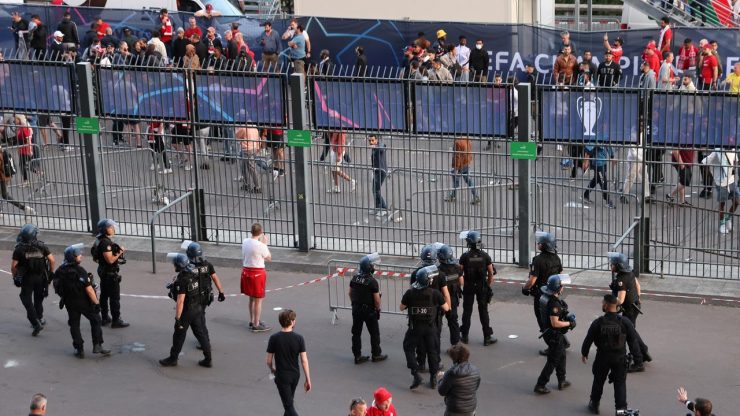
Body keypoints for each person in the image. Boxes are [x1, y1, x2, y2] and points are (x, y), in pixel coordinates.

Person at [581, 294, 643, 414]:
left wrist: (585, 353)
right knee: (620, 383)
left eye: (603, 303)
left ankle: (594, 404)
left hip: (602, 357)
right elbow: (633, 341)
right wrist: (638, 359)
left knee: (598, 380)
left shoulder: (598, 323)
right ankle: (621, 409)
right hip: (620, 358)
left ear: (607, 305)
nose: (602, 304)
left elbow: (588, 339)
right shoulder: (625, 322)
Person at [52, 244, 110, 358]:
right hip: (83, 301)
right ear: (73, 257)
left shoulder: (60, 270)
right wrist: (96, 303)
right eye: (78, 254)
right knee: (96, 320)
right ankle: (97, 344)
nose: (81, 255)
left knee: (74, 325)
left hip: (69, 302)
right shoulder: (80, 270)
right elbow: (89, 290)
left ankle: (79, 349)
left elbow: (56, 286)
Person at [401, 265, 450, 389]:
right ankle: (433, 378)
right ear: (428, 281)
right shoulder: (435, 293)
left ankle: (415, 373)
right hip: (430, 328)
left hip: (415, 327)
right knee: (432, 351)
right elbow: (446, 308)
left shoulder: (410, 293)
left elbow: (401, 307)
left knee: (408, 348)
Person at [159, 253, 212, 367]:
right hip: (197, 308)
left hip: (187, 311)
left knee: (179, 335)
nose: (173, 266)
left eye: (175, 264)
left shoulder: (182, 280)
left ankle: (173, 359)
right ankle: (208, 359)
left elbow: (180, 301)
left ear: (179, 265)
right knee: (201, 334)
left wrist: (178, 318)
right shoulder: (194, 273)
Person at [607, 252, 651, 372]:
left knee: (629, 335)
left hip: (629, 310)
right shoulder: (629, 273)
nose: (611, 266)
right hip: (635, 306)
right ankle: (644, 351)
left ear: (619, 266)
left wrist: (609, 304)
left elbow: (620, 300)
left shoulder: (621, 280)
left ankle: (638, 361)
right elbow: (638, 285)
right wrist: (638, 298)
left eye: (613, 264)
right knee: (632, 331)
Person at [410, 244, 450, 372]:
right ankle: (436, 362)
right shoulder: (440, 274)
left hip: (418, 312)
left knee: (420, 339)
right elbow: (446, 293)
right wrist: (448, 308)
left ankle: (421, 363)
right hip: (435, 312)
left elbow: (412, 292)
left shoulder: (416, 273)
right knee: (435, 339)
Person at [522, 232, 563, 355]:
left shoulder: (538, 260)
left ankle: (552, 346)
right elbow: (561, 275)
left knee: (543, 321)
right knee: (555, 318)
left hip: (542, 295)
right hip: (554, 293)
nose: (537, 244)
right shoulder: (556, 258)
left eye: (539, 242)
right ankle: (562, 341)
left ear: (544, 246)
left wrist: (525, 288)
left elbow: (532, 280)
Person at [534, 275, 575, 395]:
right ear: (558, 288)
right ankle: (540, 384)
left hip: (549, 332)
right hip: (554, 334)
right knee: (552, 360)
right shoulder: (554, 304)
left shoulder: (545, 297)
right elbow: (555, 323)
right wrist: (569, 323)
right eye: (562, 286)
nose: (563, 288)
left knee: (561, 355)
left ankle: (561, 380)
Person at [266, 309, 312, 416]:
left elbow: (268, 361)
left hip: (282, 376)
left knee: (288, 406)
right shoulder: (299, 338)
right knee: (289, 402)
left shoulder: (274, 338)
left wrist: (273, 369)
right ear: (292, 322)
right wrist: (308, 379)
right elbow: (304, 360)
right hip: (295, 375)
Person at [11, 224, 54, 336]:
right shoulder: (41, 246)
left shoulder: (19, 249)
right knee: (38, 298)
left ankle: (35, 322)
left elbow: (14, 266)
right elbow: (52, 260)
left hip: (27, 278)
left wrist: (15, 277)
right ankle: (39, 318)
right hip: (41, 277)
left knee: (26, 298)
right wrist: (50, 273)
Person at [459, 231, 496, 346]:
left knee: (467, 311)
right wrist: (488, 285)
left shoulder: (464, 256)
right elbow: (491, 273)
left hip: (469, 286)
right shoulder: (485, 256)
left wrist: (463, 285)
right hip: (482, 286)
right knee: (483, 311)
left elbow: (460, 273)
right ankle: (487, 337)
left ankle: (464, 336)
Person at [349, 253, 387, 364]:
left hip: (356, 309)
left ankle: (357, 356)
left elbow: (350, 293)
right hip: (369, 310)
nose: (374, 267)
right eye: (373, 265)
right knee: (374, 333)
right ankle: (376, 354)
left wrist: (354, 304)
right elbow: (376, 300)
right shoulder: (372, 282)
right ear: (369, 267)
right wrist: (377, 309)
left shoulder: (355, 278)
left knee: (356, 333)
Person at [93, 219, 129, 328]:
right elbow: (110, 260)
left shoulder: (98, 240)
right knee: (114, 297)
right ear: (105, 229)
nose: (113, 229)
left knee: (104, 295)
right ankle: (116, 320)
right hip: (109, 272)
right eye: (110, 227)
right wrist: (120, 251)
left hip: (103, 270)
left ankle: (104, 317)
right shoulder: (106, 243)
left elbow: (95, 257)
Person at [241, 223, 272, 332]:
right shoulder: (261, 246)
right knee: (258, 300)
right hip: (257, 273)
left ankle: (252, 320)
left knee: (251, 298)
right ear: (261, 232)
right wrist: (265, 244)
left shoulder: (245, 241)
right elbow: (269, 258)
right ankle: (256, 324)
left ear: (251, 232)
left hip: (246, 271)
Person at [701, 149, 740, 234]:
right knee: (722, 203)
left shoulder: (732, 150)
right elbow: (704, 162)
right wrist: (710, 175)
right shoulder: (717, 152)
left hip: (731, 180)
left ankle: (728, 218)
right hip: (721, 182)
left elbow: (735, 161)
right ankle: (722, 224)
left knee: (737, 202)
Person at [437, 344, 480, 416]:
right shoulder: (475, 370)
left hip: (455, 409)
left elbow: (442, 391)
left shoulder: (451, 374)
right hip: (470, 408)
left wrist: (441, 380)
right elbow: (476, 387)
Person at [0, 142, 35, 215]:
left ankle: (24, 208)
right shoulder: (3, 152)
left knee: (5, 195)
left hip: (2, 178)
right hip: (5, 177)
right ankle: (24, 208)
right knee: (5, 195)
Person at [437, 244, 462, 346]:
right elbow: (461, 282)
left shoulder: (438, 270)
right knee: (453, 321)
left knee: (437, 322)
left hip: (440, 299)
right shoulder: (457, 268)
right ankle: (455, 345)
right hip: (453, 298)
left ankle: (435, 346)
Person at [444, 137, 480, 204]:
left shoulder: (457, 142)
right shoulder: (467, 139)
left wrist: (456, 168)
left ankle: (453, 196)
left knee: (455, 180)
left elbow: (457, 156)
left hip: (460, 165)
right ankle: (476, 196)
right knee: (469, 181)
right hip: (466, 163)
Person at [582, 144, 616, 209]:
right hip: (598, 164)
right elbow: (588, 149)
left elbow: (609, 147)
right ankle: (608, 201)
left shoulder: (605, 136)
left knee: (596, 179)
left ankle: (585, 195)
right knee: (603, 182)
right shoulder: (596, 137)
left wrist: (612, 157)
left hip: (603, 163)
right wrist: (585, 162)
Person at [369, 134, 388, 218]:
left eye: (372, 140)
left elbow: (382, 147)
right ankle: (377, 208)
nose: (371, 142)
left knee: (376, 190)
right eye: (369, 141)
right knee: (374, 189)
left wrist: (376, 146)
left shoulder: (380, 146)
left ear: (376, 140)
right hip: (376, 171)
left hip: (381, 171)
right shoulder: (374, 148)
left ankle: (384, 208)